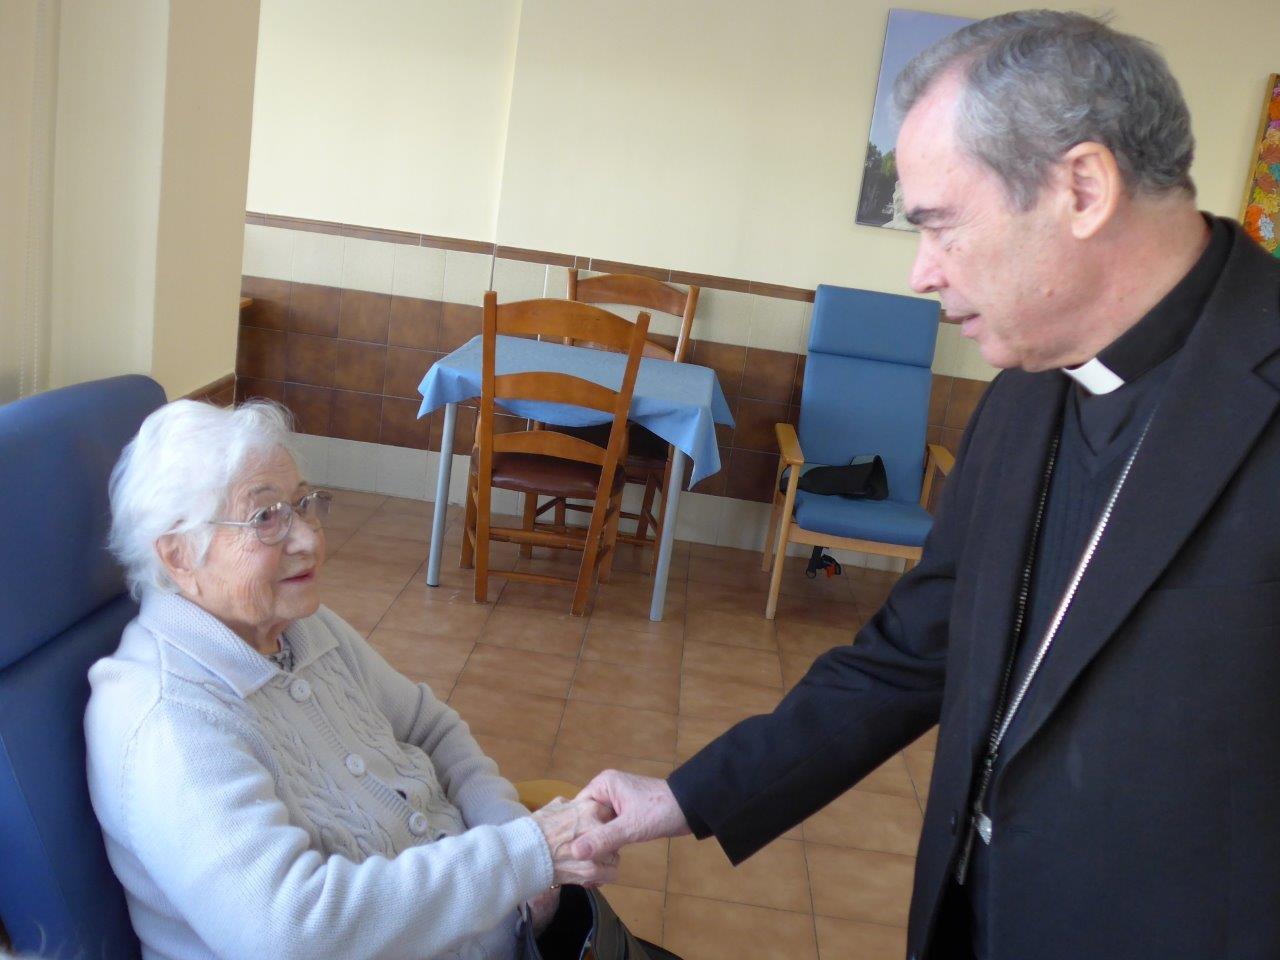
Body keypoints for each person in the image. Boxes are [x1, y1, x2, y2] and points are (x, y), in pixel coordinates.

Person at [568, 11, 1280, 960]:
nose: (920, 272)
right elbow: (914, 651)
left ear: (1082, 186)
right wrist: (694, 793)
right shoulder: (1024, 393)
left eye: (941, 224)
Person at [85, 400, 616, 960]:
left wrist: (523, 856)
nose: (308, 538)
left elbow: (431, 729)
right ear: (178, 555)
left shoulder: (301, 627)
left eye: (303, 504)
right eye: (266, 517)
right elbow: (292, 930)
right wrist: (525, 853)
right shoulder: (167, 718)